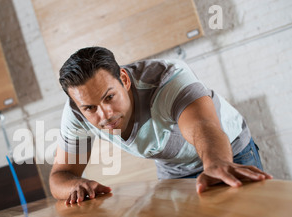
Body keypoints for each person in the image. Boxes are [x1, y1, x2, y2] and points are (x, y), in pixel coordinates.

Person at [49, 46, 272, 204]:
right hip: (173, 168)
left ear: (124, 80)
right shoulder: (76, 113)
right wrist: (75, 186)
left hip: (229, 154)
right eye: (90, 108)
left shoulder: (167, 78)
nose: (105, 114)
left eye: (109, 98)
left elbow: (203, 127)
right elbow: (61, 175)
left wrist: (216, 163)